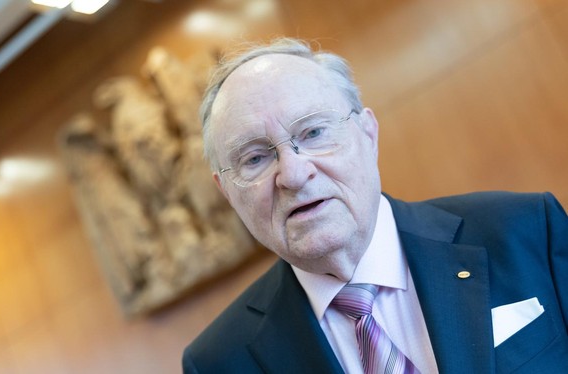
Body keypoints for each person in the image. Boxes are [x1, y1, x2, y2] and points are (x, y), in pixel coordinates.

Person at [182, 37, 568, 373]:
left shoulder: (525, 230)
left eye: (314, 132)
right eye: (255, 159)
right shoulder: (219, 361)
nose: (294, 174)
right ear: (227, 192)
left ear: (368, 134)